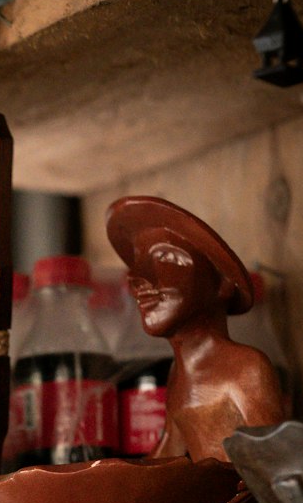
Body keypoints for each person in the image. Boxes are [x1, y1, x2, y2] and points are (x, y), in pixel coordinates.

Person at [106, 195, 284, 462]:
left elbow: (273, 463)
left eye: (166, 258)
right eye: (138, 262)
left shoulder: (246, 368)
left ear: (222, 283)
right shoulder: (179, 374)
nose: (136, 277)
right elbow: (168, 454)